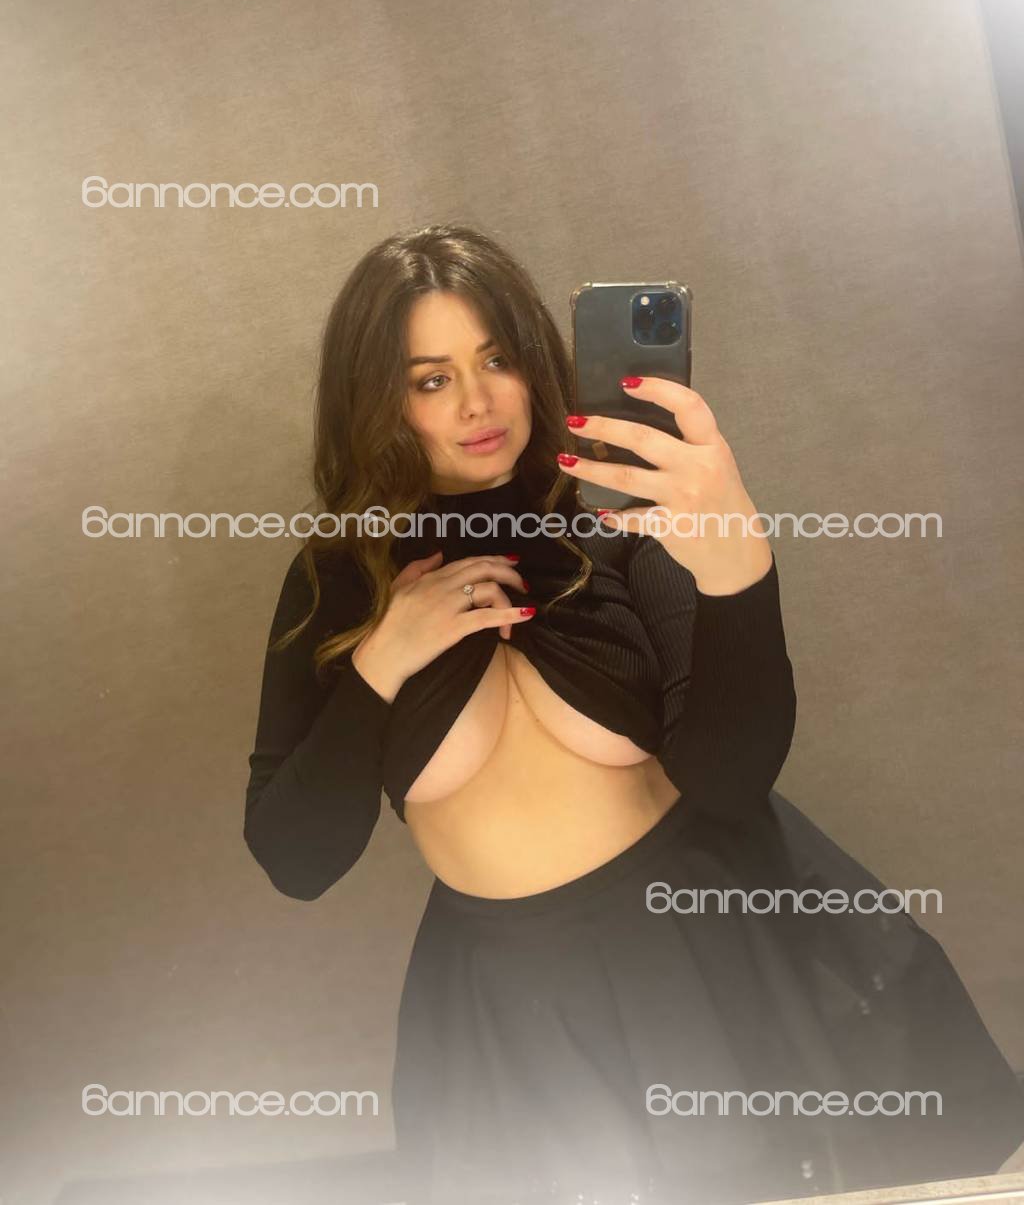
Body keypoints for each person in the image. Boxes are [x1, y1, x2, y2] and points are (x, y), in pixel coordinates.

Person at [243, 223, 1024, 1205]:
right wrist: (380, 663)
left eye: (496, 359)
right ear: (376, 398)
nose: (478, 402)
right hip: (510, 1005)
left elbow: (730, 780)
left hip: (707, 947)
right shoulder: (338, 582)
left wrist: (739, 570)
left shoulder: (617, 525)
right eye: (431, 378)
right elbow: (296, 857)